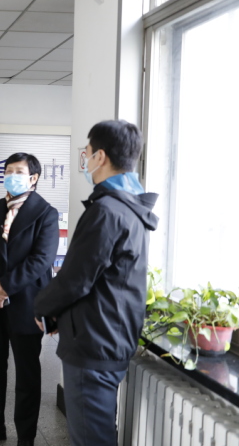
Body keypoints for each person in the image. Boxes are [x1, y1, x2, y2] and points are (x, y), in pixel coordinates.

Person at [34, 120, 158, 446]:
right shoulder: (131, 207)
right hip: (108, 337)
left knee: (91, 438)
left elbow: (76, 278)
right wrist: (63, 315)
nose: (85, 160)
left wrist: (41, 307)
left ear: (100, 156)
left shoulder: (107, 211)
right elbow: (104, 281)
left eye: (87, 153)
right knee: (98, 432)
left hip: (94, 345)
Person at [0, 153, 59, 446]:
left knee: (27, 375)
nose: (11, 176)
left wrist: (4, 288)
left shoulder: (46, 213)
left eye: (18, 171)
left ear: (33, 178)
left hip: (26, 303)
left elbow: (41, 260)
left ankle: (26, 437)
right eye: (8, 170)